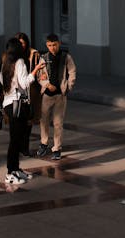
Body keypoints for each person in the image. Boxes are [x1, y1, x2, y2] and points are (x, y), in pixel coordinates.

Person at [0, 37, 46, 185]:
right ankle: (10, 173)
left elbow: (0, 79)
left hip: (8, 103)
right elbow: (24, 83)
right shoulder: (20, 63)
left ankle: (16, 169)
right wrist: (36, 70)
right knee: (15, 140)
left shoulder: (6, 63)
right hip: (17, 104)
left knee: (16, 138)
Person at [36, 33, 76, 161]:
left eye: (54, 45)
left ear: (58, 43)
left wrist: (68, 86)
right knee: (44, 120)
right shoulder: (44, 58)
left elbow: (72, 72)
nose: (52, 48)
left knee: (58, 123)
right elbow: (39, 75)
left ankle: (57, 148)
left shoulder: (66, 57)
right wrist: (47, 85)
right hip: (47, 95)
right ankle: (44, 143)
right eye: (49, 45)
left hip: (60, 95)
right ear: (46, 45)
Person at [15, 32, 41, 157]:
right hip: (16, 94)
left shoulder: (33, 55)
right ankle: (18, 145)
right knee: (18, 121)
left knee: (28, 121)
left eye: (23, 43)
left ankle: (24, 147)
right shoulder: (11, 55)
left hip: (29, 93)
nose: (21, 45)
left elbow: (39, 72)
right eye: (19, 43)